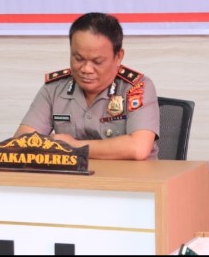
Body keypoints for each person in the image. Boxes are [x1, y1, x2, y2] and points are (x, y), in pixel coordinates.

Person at [14, 12, 160, 160]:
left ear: (118, 57)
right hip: (73, 175)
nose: (86, 69)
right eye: (78, 59)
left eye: (97, 62)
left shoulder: (137, 88)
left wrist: (74, 146)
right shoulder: (54, 88)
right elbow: (21, 142)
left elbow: (138, 148)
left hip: (130, 175)